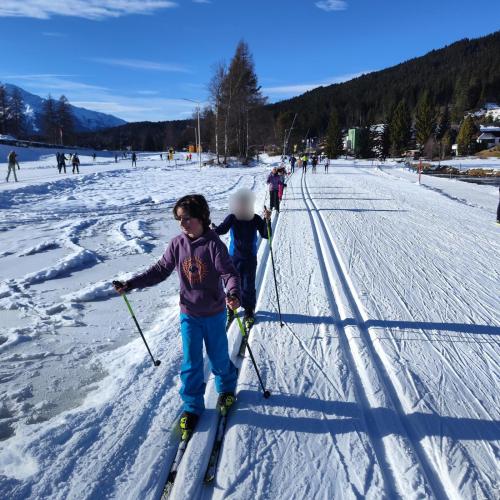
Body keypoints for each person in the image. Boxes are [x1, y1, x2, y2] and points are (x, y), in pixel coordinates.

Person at [113, 194, 240, 435]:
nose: (182, 224)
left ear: (202, 217)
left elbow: (229, 273)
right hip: (189, 313)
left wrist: (233, 293)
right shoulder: (177, 244)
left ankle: (226, 388)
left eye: (187, 218)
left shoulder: (214, 245)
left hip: (214, 313)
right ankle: (192, 406)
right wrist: (131, 284)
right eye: (179, 219)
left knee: (218, 356)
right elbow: (160, 270)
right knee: (191, 361)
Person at [213, 189, 271, 329]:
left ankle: (249, 311)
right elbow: (221, 230)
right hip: (233, 258)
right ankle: (230, 308)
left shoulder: (255, 218)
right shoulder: (232, 218)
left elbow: (266, 234)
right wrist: (210, 228)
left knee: (248, 285)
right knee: (232, 284)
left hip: (250, 258)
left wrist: (267, 220)